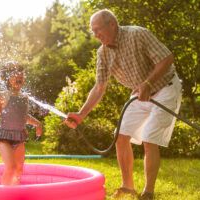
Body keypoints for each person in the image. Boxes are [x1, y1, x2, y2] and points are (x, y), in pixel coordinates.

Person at [64, 9, 182, 200]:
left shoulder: (137, 34)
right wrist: (81, 114)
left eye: (97, 30)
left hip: (165, 88)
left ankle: (148, 192)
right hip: (140, 93)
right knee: (120, 135)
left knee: (149, 138)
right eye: (92, 32)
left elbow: (167, 58)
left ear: (112, 24)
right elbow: (99, 87)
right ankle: (128, 186)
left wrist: (148, 83)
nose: (95, 35)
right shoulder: (102, 52)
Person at [0, 61, 42, 185]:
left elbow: (24, 117)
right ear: (8, 79)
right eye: (15, 74)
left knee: (19, 170)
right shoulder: (2, 95)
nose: (19, 76)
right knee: (11, 167)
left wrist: (37, 123)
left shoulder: (25, 97)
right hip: (3, 137)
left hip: (19, 138)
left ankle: (14, 193)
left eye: (22, 75)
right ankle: (4, 195)